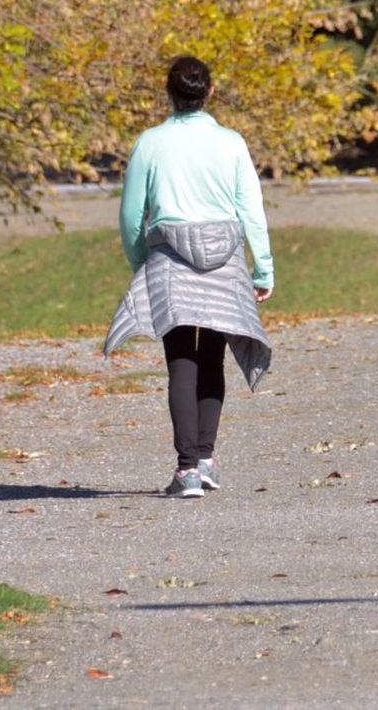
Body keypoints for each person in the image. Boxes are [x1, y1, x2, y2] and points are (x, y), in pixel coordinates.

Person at [103, 56, 274, 498]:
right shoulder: (231, 142)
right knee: (213, 357)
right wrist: (264, 267)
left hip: (168, 255)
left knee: (180, 359)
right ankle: (205, 460)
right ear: (209, 92)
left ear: (169, 93)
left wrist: (141, 260)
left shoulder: (150, 143)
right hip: (225, 258)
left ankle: (186, 471)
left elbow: (130, 215)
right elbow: (249, 210)